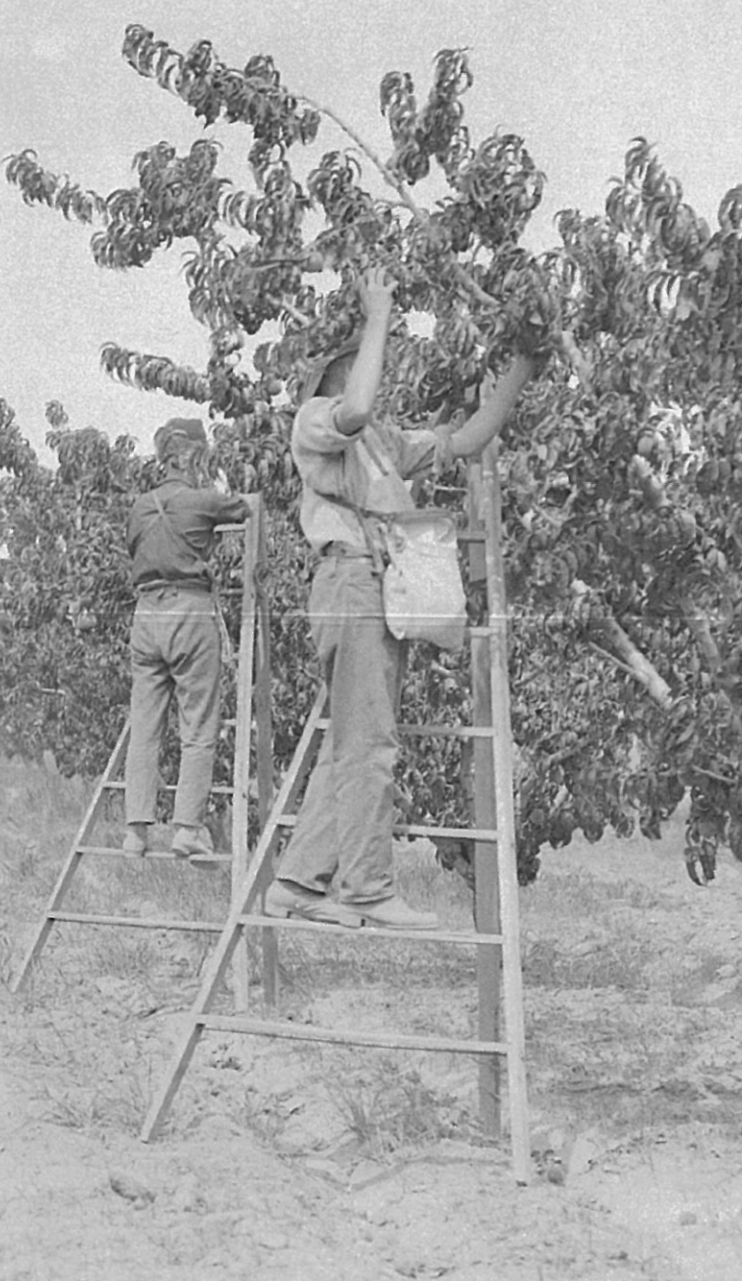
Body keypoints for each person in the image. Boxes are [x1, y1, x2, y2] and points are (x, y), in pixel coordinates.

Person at [265, 265, 541, 931]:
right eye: (357, 367)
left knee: (353, 744)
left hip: (380, 589)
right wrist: (379, 313)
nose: (370, 378)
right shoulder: (316, 422)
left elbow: (469, 439)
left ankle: (297, 882)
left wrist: (522, 371)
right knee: (371, 746)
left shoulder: (384, 444)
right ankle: (364, 887)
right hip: (349, 582)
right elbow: (355, 407)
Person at [122, 417, 251, 862]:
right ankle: (187, 827)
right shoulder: (201, 500)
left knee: (145, 727)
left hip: (145, 614)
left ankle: (135, 832)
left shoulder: (140, 505)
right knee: (198, 726)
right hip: (188, 611)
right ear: (194, 457)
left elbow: (137, 547)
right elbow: (245, 508)